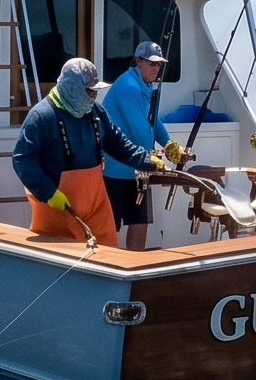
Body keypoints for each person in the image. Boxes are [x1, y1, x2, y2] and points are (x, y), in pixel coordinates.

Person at [12, 57, 159, 244]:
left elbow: (117, 143)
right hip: (58, 206)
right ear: (72, 87)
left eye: (96, 91)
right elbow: (22, 159)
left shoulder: (96, 111)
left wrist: (146, 160)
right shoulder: (41, 116)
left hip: (95, 205)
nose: (94, 96)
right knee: (62, 262)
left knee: (107, 257)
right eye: (89, 91)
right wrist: (48, 192)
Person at [101, 39, 187, 250]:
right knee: (110, 226)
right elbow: (139, 128)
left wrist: (169, 145)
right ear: (138, 61)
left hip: (138, 169)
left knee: (140, 220)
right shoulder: (128, 86)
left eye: (159, 64)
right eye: (152, 63)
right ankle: (106, 270)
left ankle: (135, 267)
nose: (156, 69)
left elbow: (152, 119)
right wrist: (152, 159)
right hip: (115, 169)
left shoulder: (145, 86)